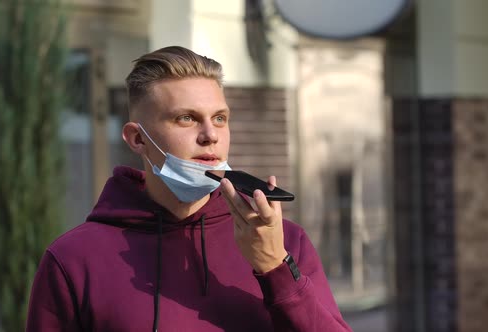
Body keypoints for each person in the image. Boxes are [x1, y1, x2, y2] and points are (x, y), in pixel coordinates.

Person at [26, 46, 352, 332]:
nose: (210, 134)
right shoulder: (74, 259)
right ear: (137, 139)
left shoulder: (285, 241)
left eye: (220, 118)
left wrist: (275, 269)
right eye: (186, 118)